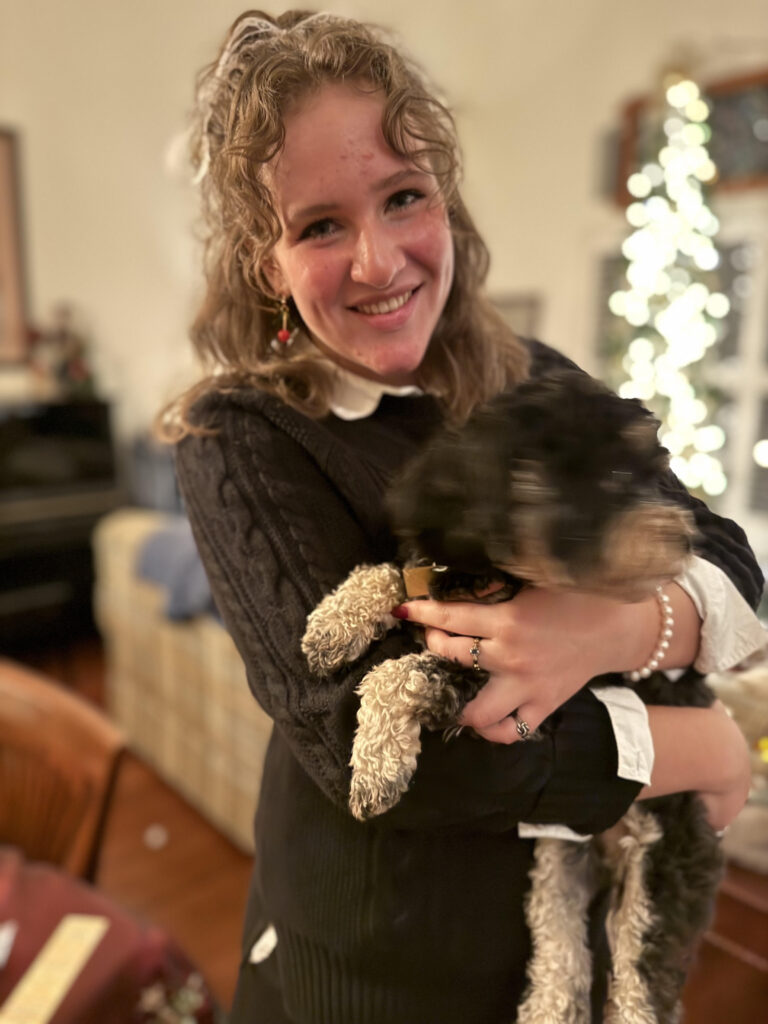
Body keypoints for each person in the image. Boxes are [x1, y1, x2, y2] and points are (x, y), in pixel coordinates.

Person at [166, 10, 765, 1023]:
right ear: (265, 261)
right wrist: (695, 747)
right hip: (375, 967)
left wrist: (617, 628)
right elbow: (392, 756)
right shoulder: (239, 438)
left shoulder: (533, 378)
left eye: (404, 197)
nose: (379, 260)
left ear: (445, 198)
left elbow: (731, 558)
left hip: (565, 955)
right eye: (319, 224)